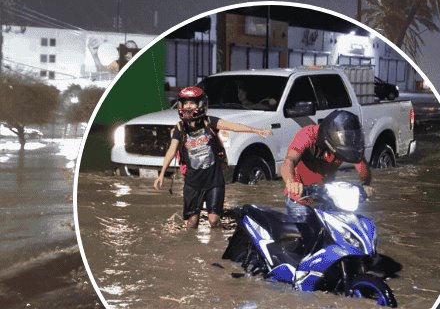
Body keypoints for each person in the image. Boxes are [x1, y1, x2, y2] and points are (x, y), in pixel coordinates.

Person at [154, 86, 272, 228]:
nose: (188, 106)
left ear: (200, 104)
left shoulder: (209, 122)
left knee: (214, 221)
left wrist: (256, 130)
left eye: (192, 103)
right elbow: (171, 151)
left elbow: (232, 126)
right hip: (192, 183)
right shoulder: (180, 128)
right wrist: (161, 174)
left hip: (214, 181)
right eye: (185, 103)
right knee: (192, 224)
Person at [280, 109, 373, 221]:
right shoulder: (307, 135)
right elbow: (289, 160)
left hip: (328, 197)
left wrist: (365, 185)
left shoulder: (346, 143)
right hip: (300, 199)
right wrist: (291, 183)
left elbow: (362, 165)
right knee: (307, 234)